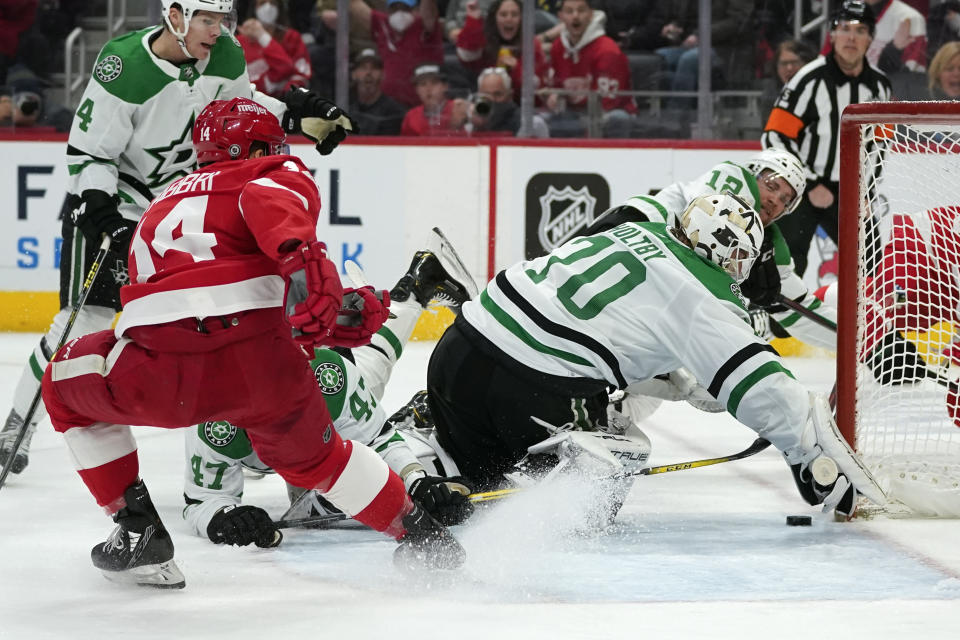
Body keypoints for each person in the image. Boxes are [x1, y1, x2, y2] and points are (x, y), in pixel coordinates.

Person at [40, 97, 464, 587]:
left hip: (163, 369)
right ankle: (424, 537)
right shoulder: (269, 172)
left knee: (62, 383)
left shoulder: (162, 201)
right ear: (257, 145)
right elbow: (281, 239)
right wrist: (322, 290)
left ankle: (137, 528)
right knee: (323, 461)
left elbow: (183, 292)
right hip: (264, 367)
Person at [0, 0, 355, 476]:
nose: (218, 30)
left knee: (205, 324)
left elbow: (237, 109)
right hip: (116, 205)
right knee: (84, 322)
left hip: (179, 208)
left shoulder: (226, 53)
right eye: (206, 20)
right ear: (174, 16)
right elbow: (90, 152)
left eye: (221, 19)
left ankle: (219, 454)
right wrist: (103, 213)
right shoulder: (122, 64)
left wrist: (295, 111)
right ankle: (16, 424)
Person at [425, 190, 887, 519]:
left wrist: (677, 381)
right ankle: (545, 499)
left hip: (459, 347)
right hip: (530, 389)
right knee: (622, 452)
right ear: (734, 261)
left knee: (476, 465)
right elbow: (758, 383)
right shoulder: (701, 291)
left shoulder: (635, 231)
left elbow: (613, 329)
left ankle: (428, 459)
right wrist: (809, 455)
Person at [184, 233, 480, 546]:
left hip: (328, 409)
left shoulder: (330, 378)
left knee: (368, 372)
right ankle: (418, 286)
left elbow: (379, 438)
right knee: (371, 365)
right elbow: (203, 499)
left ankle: (417, 287)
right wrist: (224, 516)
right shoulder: (214, 420)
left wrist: (415, 480)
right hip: (310, 432)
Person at [762, 0, 891, 277]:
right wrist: (808, 182)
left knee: (871, 264)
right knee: (786, 265)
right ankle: (776, 321)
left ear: (870, 38)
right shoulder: (807, 79)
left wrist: (865, 192)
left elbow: (878, 147)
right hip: (801, 190)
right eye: (844, 28)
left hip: (850, 191)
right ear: (832, 34)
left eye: (860, 30)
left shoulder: (879, 86)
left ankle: (868, 320)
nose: (851, 37)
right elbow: (775, 136)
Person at [543, 0, 637, 138]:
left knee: (617, 119)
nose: (575, 16)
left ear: (591, 14)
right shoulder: (558, 47)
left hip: (610, 113)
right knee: (542, 120)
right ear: (561, 16)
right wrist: (555, 96)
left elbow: (609, 103)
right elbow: (555, 86)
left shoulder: (607, 50)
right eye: (569, 11)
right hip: (576, 114)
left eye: (581, 10)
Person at [348, 0, 444, 107]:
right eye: (394, 9)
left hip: (421, 107)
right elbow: (354, 4)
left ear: (416, 10)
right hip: (388, 108)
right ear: (388, 11)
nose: (400, 13)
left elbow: (429, 9)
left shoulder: (424, 27)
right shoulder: (383, 25)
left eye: (405, 8)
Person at [455, 0, 548, 103]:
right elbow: (466, 56)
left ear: (522, 18)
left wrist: (517, 68)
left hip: (521, 108)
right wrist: (474, 20)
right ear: (494, 18)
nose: (509, 19)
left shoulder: (531, 44)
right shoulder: (484, 41)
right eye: (503, 15)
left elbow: (538, 89)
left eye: (514, 14)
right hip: (486, 105)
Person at [237, 0, 312, 96]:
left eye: (273, 3)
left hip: (287, 101)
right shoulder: (240, 41)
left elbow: (289, 70)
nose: (268, 7)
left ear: (280, 7)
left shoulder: (292, 38)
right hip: (251, 101)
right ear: (255, 7)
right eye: (262, 3)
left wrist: (262, 36)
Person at [467, 66, 550, 137]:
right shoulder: (471, 122)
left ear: (510, 96)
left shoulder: (530, 124)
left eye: (497, 94)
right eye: (486, 95)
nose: (491, 99)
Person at [349, 47, 408, 135]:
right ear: (354, 74)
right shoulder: (345, 107)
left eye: (374, 68)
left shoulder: (395, 112)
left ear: (383, 75)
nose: (368, 72)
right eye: (363, 68)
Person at [400, 63, 470, 136]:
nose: (428, 89)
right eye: (423, 84)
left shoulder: (458, 107)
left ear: (445, 86)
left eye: (434, 83)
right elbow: (406, 145)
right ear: (417, 90)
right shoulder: (411, 116)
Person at [760, 39, 817, 124]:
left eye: (794, 62)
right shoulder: (770, 95)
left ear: (806, 64)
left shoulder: (819, 89)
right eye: (784, 63)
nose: (789, 68)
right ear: (777, 67)